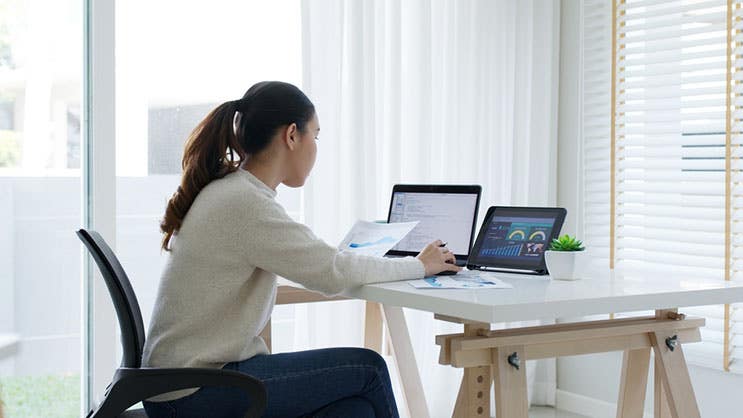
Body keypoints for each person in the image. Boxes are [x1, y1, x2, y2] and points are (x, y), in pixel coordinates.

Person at [142, 81, 460, 418]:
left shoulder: (235, 193)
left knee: (356, 410)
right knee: (369, 369)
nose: (316, 147)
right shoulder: (245, 202)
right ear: (292, 135)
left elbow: (325, 267)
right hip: (192, 392)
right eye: (316, 135)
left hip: (183, 384)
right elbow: (332, 272)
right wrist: (420, 265)